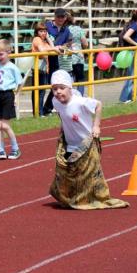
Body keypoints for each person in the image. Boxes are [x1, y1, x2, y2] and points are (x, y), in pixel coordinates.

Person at [48, 70, 128, 210]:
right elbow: (62, 115)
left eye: (62, 88)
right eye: (55, 89)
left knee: (88, 174)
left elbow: (98, 105)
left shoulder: (80, 102)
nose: (58, 92)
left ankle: (90, 198)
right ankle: (72, 198)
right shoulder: (56, 102)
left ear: (70, 88)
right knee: (67, 173)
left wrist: (96, 126)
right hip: (70, 144)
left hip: (87, 143)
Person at [0, 40, 23, 160]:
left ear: (9, 52)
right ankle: (1, 150)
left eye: (1, 54)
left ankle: (15, 148)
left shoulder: (12, 67)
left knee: (4, 125)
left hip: (8, 95)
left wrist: (16, 96)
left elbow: (20, 83)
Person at [44, 8, 72, 113]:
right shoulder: (47, 25)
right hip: (44, 58)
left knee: (55, 84)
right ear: (54, 16)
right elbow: (40, 37)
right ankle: (39, 111)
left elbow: (68, 42)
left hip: (55, 58)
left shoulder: (66, 29)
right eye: (59, 16)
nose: (60, 19)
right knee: (42, 85)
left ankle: (47, 108)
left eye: (63, 17)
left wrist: (63, 46)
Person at [117, 9, 137, 103]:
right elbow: (126, 36)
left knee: (133, 75)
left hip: (132, 52)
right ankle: (124, 98)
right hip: (132, 52)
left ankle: (129, 97)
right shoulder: (136, 24)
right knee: (131, 75)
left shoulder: (133, 23)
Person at [31, 23, 59, 115]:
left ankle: (39, 112)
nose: (43, 33)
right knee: (39, 91)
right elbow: (43, 50)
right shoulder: (37, 39)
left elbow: (53, 47)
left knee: (42, 91)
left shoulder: (44, 41)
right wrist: (53, 49)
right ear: (37, 32)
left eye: (45, 31)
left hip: (43, 69)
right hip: (38, 69)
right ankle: (38, 112)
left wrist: (48, 38)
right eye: (41, 31)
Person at [66, 11, 89, 96]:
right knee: (80, 80)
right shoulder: (78, 29)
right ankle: (79, 98)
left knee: (68, 81)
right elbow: (85, 44)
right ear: (73, 18)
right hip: (78, 57)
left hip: (65, 58)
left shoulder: (62, 29)